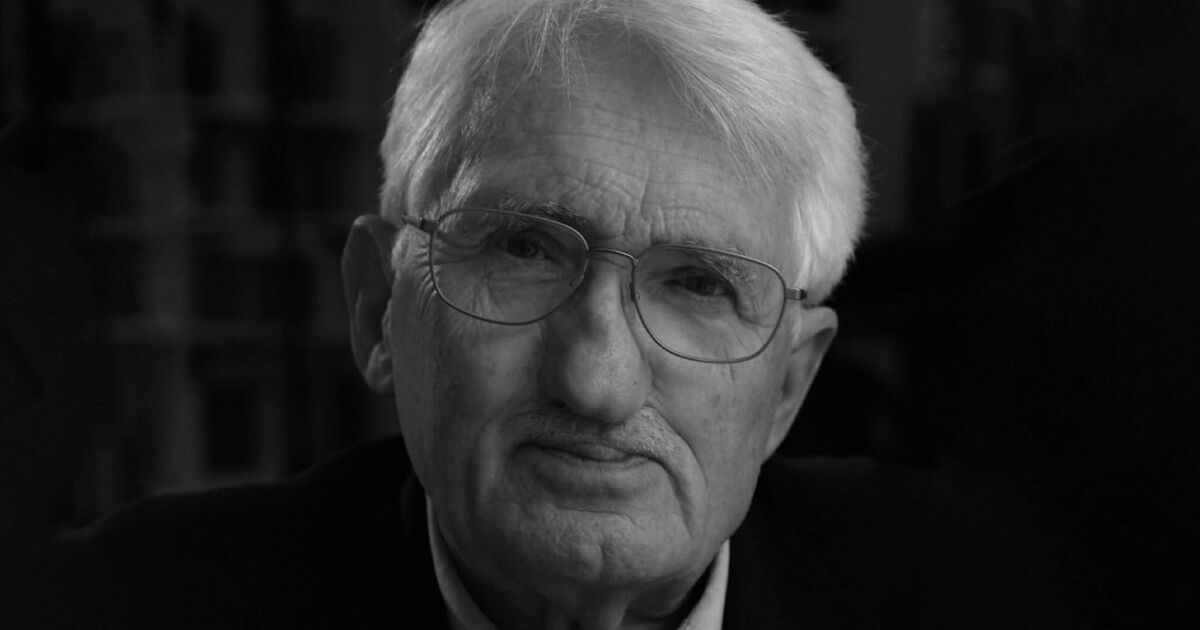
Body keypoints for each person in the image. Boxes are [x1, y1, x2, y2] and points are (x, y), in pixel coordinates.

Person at [1, 1, 1096, 628]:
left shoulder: (997, 600)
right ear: (379, 310)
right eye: (524, 252)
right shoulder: (104, 611)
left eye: (699, 285)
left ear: (788, 390)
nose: (596, 382)